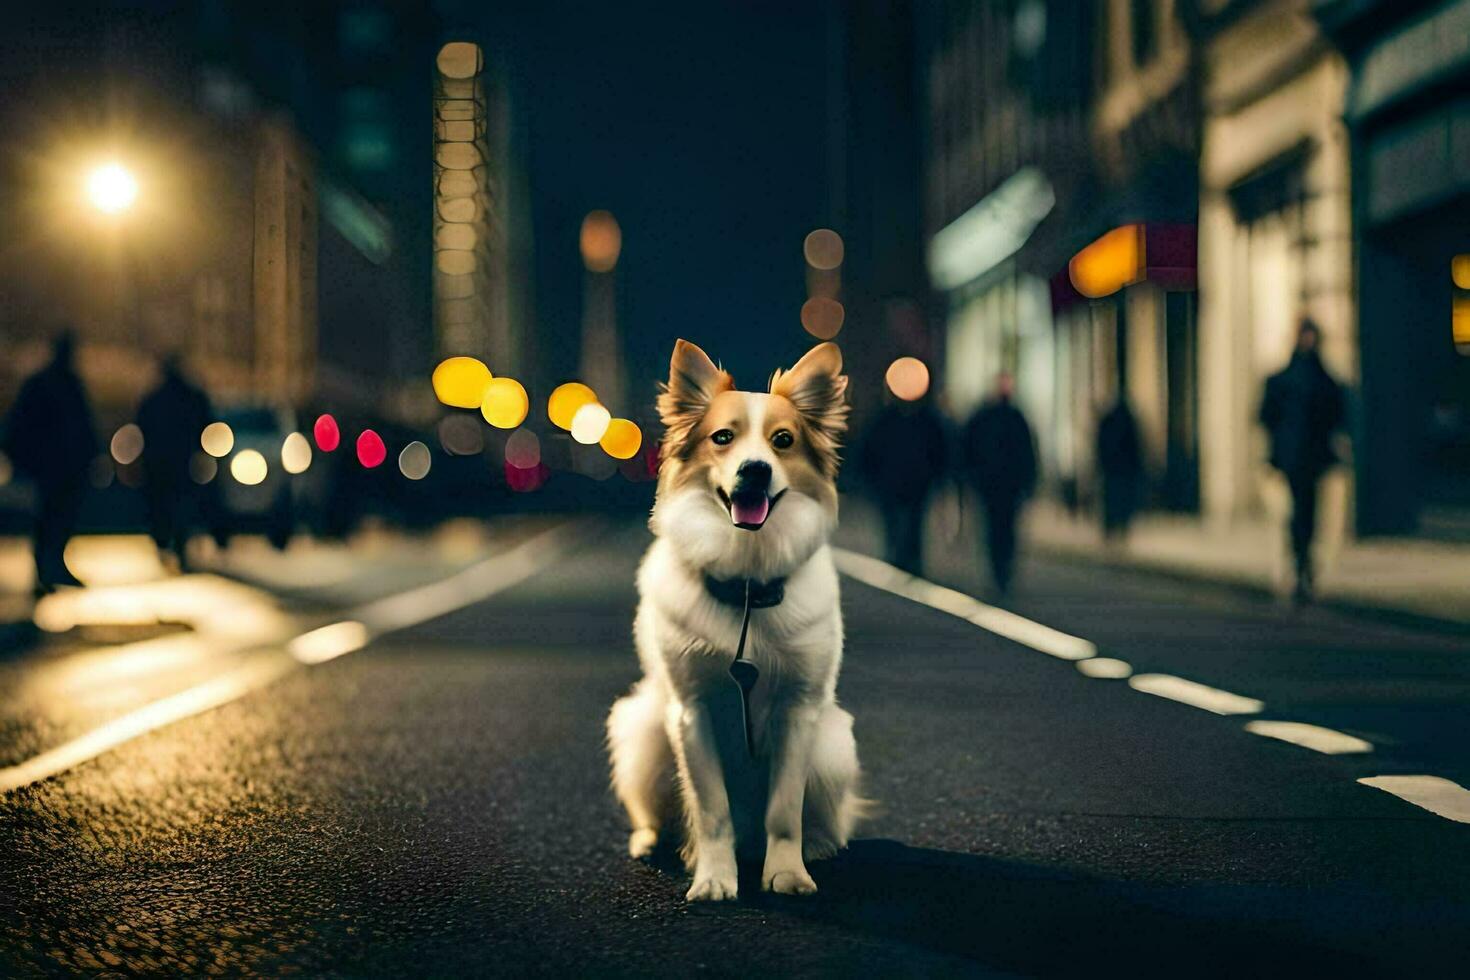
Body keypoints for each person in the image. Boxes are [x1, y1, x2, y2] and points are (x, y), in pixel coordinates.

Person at [2, 333, 98, 594]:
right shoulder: (60, 385)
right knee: (54, 518)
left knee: (53, 519)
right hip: (55, 467)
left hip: (54, 467)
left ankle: (49, 568)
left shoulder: (45, 384)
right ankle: (48, 568)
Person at [1260, 318, 1346, 604]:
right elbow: (1267, 417)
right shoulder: (1285, 380)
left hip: (1311, 457)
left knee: (1307, 511)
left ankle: (1302, 559)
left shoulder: (1323, 380)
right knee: (1297, 511)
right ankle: (1299, 559)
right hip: (1292, 458)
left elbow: (1337, 416)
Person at [961, 374, 1036, 595]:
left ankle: (1002, 568)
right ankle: (1000, 568)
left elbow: (1027, 452)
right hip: (995, 484)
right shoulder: (1004, 417)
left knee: (1001, 527)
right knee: (999, 527)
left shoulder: (1006, 417)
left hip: (1002, 484)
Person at [858, 394, 949, 575]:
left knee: (914, 521)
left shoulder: (927, 420)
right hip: (890, 481)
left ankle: (911, 559)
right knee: (894, 520)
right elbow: (868, 450)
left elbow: (940, 449)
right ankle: (898, 557)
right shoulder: (885, 420)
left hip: (917, 482)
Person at [137, 355, 213, 569]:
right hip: (181, 462)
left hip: (162, 462)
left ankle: (167, 543)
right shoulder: (191, 397)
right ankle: (178, 544)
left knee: (163, 507)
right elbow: (205, 423)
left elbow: (143, 426)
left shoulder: (155, 399)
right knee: (179, 505)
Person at [1096, 397, 1143, 543]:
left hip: (1114, 469)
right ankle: (1119, 529)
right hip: (1122, 469)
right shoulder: (1128, 422)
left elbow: (1101, 445)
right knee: (1120, 500)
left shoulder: (1109, 422)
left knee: (1113, 499)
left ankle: (1112, 530)